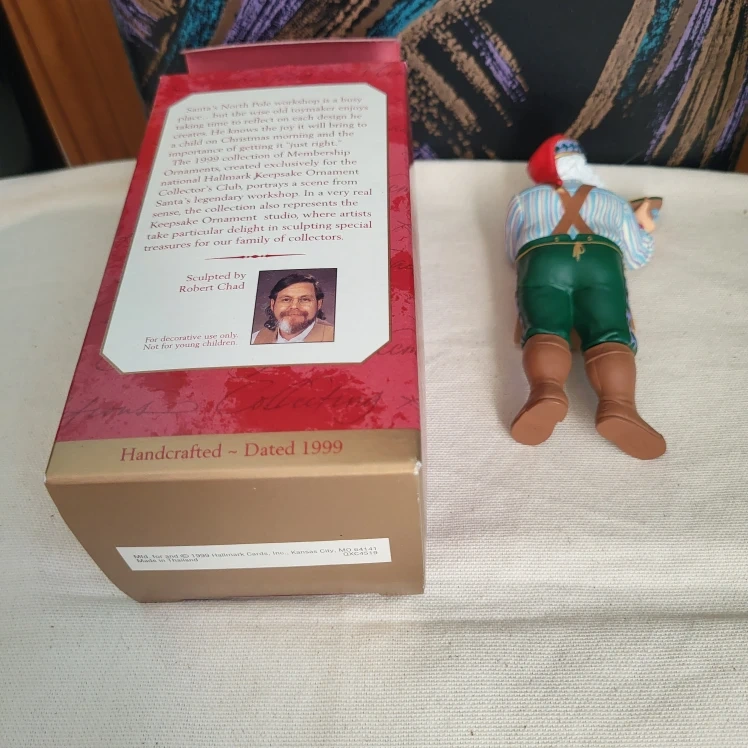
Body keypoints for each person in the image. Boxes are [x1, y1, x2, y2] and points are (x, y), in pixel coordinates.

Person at [505, 134, 666, 460]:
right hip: (600, 263)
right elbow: (636, 256)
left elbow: (513, 251)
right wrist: (646, 227)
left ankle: (546, 390)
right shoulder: (613, 201)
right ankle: (619, 405)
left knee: (544, 328)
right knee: (610, 333)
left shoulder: (524, 199)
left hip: (543, 261)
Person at [251, 273, 334, 344]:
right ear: (273, 304)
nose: (294, 306)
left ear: (319, 304)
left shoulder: (335, 336)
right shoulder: (255, 338)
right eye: (286, 300)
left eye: (305, 299)